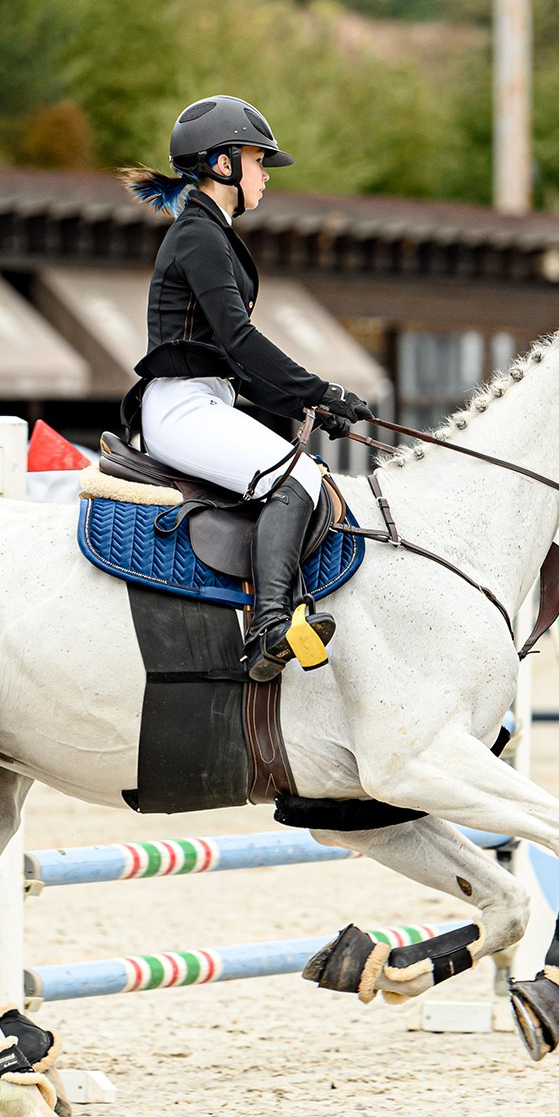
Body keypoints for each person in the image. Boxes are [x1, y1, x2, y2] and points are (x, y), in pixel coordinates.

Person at [120, 95, 376, 682]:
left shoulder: (212, 232)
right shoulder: (198, 235)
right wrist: (321, 389)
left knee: (307, 474)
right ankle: (268, 628)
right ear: (224, 164)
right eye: (260, 161)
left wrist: (306, 402)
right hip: (180, 407)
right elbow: (238, 340)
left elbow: (231, 360)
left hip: (205, 398)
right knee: (297, 477)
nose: (267, 174)